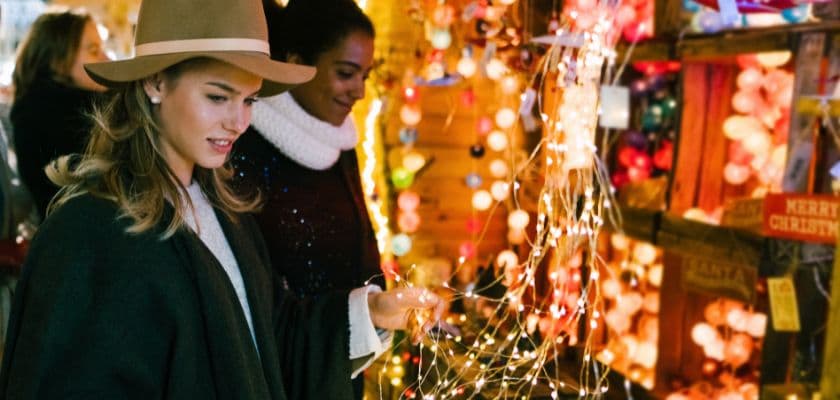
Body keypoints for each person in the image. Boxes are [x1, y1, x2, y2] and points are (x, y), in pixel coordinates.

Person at [0, 0, 441, 399]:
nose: (238, 122)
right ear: (156, 82)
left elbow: (268, 339)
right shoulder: (88, 232)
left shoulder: (225, 213)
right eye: (218, 96)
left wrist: (370, 312)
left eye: (248, 99)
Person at [230, 3, 379, 395]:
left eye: (365, 76)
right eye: (346, 73)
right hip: (277, 372)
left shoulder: (342, 145)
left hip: (341, 363)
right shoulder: (242, 149)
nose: (359, 91)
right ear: (295, 65)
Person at [10, 8, 108, 220]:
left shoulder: (36, 108)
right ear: (58, 58)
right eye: (94, 50)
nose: (106, 58)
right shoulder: (53, 117)